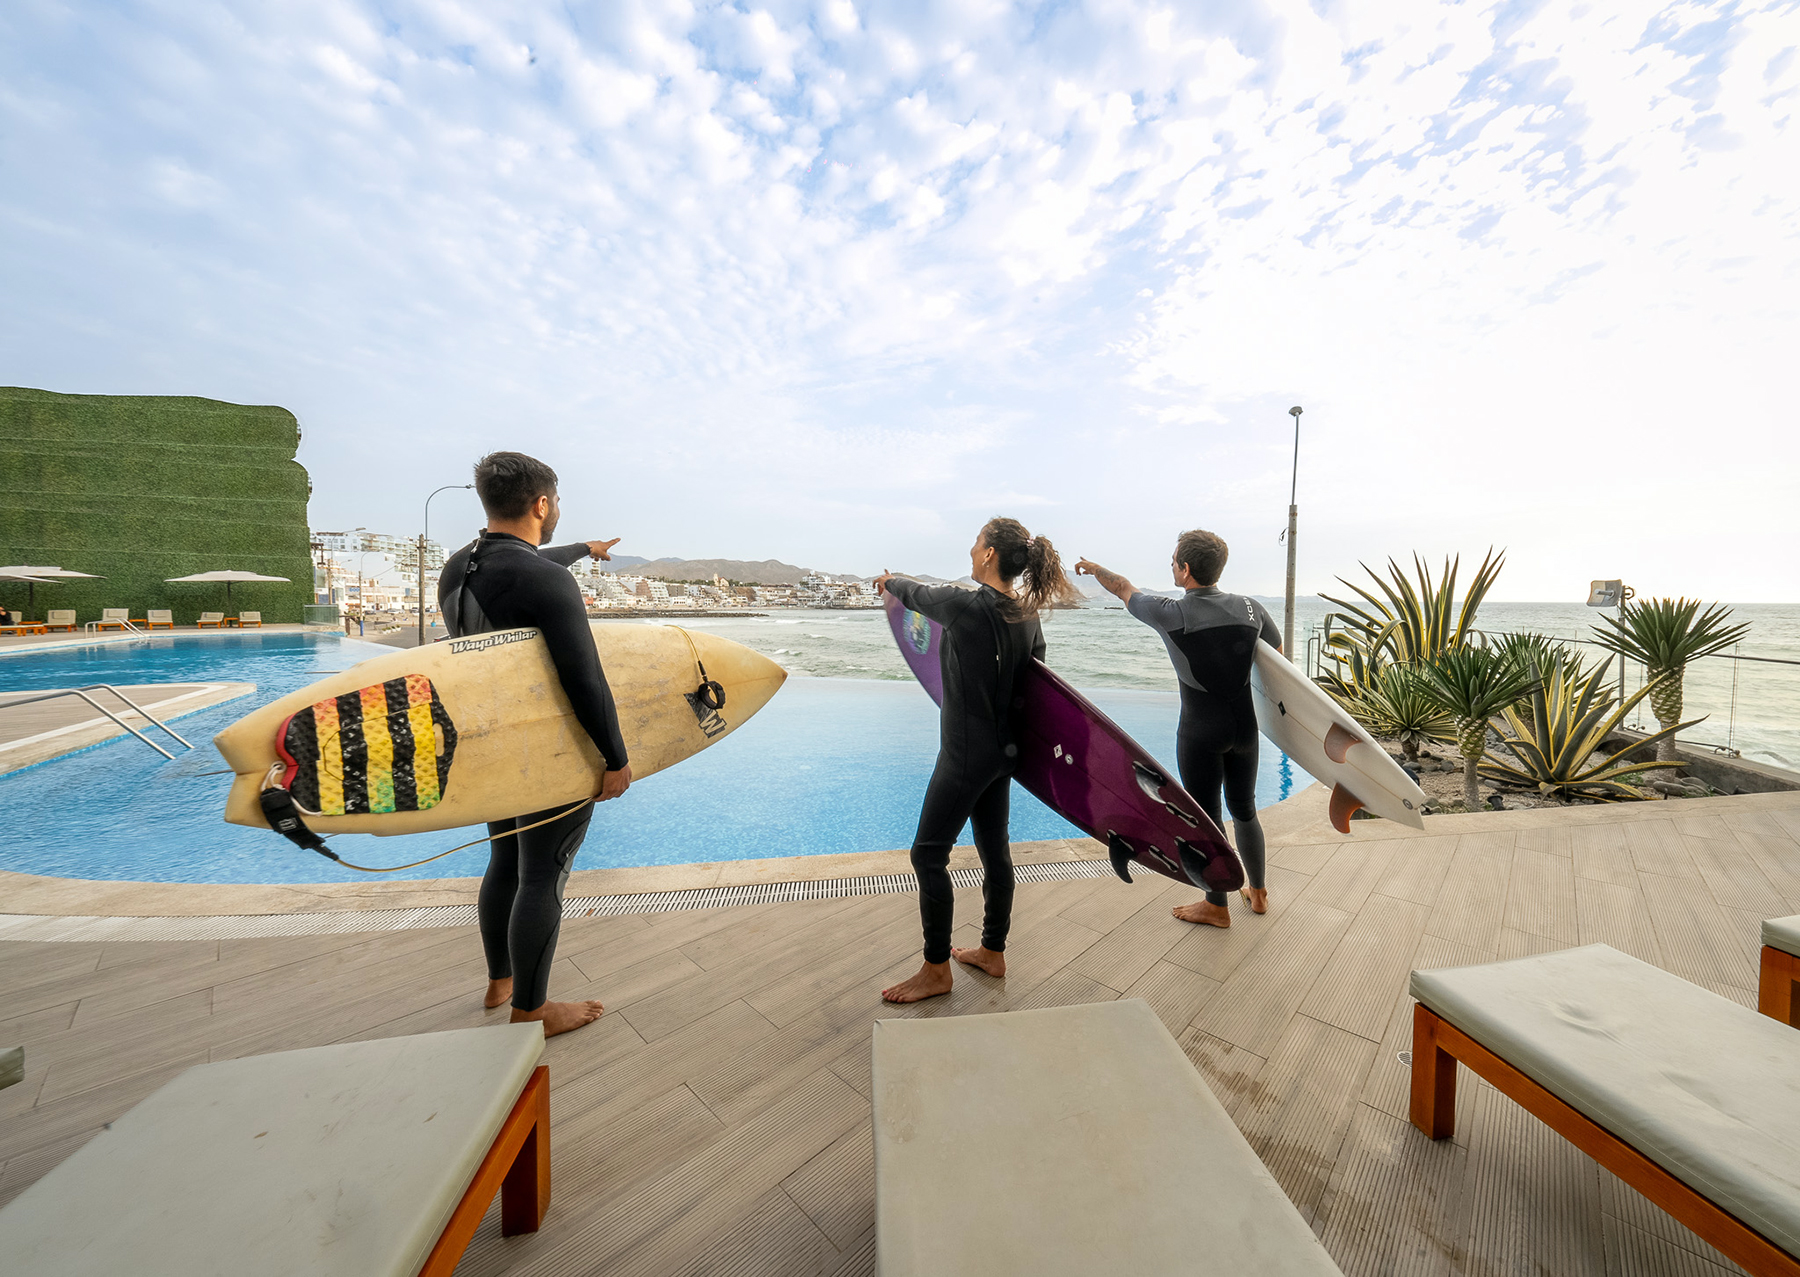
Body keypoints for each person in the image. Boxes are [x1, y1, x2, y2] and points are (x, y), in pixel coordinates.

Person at [437, 451, 632, 1036]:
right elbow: (585, 677)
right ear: (542, 504)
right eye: (557, 503)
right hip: (545, 750)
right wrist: (616, 758)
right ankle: (532, 1009)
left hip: (489, 744)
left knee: (504, 861)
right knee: (544, 874)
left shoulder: (458, 567)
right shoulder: (546, 581)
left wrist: (584, 549)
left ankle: (501, 982)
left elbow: (526, 563)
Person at [874, 518, 1081, 1003]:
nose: (971, 549)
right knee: (994, 851)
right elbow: (1040, 685)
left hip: (965, 755)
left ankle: (936, 969)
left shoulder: (965, 604)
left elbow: (914, 594)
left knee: (927, 855)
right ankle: (992, 951)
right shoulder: (1025, 614)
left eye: (976, 543)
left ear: (989, 554)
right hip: (1004, 754)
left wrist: (888, 581)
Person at [1076, 530, 1280, 928]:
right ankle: (1257, 893)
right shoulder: (1251, 608)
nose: (1171, 566)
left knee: (1207, 818)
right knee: (1245, 810)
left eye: (1173, 561)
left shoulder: (1170, 612)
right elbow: (1276, 660)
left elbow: (1123, 588)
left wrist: (1096, 568)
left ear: (1185, 569)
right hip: (1245, 729)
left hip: (1201, 733)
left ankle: (1216, 906)